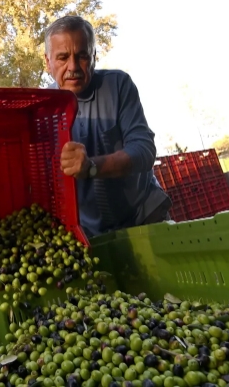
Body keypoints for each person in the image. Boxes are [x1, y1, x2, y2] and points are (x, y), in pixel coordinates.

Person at [44, 15, 172, 238]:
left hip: (145, 215)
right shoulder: (42, 109)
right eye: (63, 58)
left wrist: (92, 166)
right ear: (48, 62)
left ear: (94, 56)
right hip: (91, 234)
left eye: (82, 56)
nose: (73, 67)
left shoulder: (118, 85)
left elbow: (144, 150)